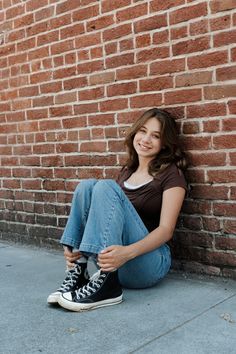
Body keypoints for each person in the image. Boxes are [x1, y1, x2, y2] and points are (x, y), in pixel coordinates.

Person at [47, 108, 187, 312]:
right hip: (114, 263)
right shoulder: (126, 173)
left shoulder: (171, 174)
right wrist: (76, 249)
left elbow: (166, 230)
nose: (146, 139)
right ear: (135, 133)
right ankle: (79, 269)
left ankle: (108, 288)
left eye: (155, 136)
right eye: (143, 131)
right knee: (86, 186)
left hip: (149, 263)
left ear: (165, 143)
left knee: (104, 186)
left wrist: (126, 253)